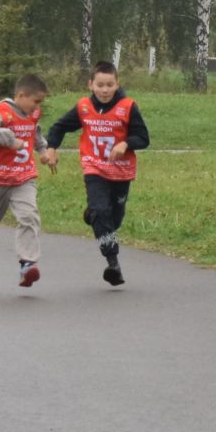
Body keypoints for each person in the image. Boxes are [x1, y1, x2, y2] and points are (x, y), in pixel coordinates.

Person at [44, 60, 147, 286]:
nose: (104, 90)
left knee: (114, 218)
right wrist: (51, 148)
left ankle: (93, 216)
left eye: (110, 85)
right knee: (102, 211)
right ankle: (113, 263)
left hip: (121, 172)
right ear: (90, 84)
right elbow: (59, 127)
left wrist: (125, 144)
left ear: (117, 84)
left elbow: (143, 138)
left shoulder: (128, 106)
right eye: (100, 84)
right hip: (95, 169)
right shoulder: (83, 107)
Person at [0, 72, 54, 288]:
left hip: (23, 176)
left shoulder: (33, 114)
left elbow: (35, 134)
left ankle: (27, 263)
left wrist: (43, 151)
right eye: (36, 101)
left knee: (29, 216)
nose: (38, 106)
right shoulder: (2, 111)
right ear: (21, 95)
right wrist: (10, 140)